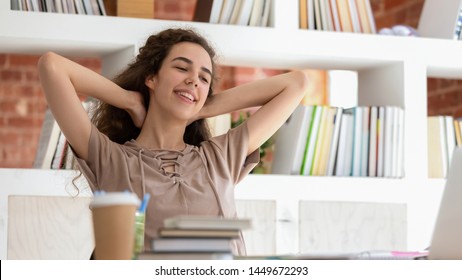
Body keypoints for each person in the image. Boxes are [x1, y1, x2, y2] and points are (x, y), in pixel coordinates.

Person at [38, 28, 308, 256]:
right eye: (181, 68)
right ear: (151, 78)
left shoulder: (220, 157)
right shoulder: (112, 159)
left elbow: (296, 84)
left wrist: (202, 107)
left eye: (204, 78)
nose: (193, 80)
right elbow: (52, 66)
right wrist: (129, 99)